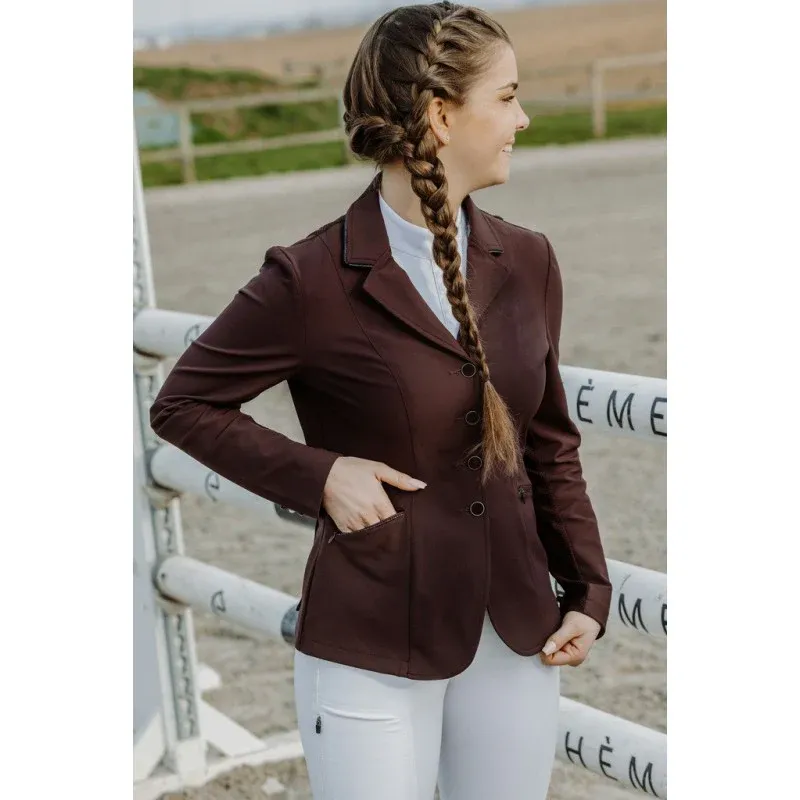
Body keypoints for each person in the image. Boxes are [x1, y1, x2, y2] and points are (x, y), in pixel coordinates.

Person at [149, 3, 612, 798]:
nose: (523, 119)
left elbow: (547, 442)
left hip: (516, 636)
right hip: (369, 643)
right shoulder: (309, 278)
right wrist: (322, 474)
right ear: (441, 116)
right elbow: (183, 404)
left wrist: (588, 591)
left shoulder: (529, 259)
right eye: (507, 97)